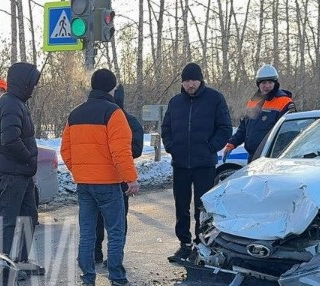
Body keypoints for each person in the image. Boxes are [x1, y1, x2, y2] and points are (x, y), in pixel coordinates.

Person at [61, 68, 140, 286]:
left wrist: (78, 170)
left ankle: (88, 280)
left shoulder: (74, 114)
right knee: (116, 231)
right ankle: (117, 280)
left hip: (84, 184)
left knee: (87, 232)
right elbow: (121, 151)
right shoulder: (114, 113)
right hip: (108, 184)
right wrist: (131, 179)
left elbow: (66, 149)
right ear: (112, 88)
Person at [161, 62, 232, 263]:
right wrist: (171, 146)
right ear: (182, 83)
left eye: (193, 80)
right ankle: (184, 244)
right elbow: (166, 128)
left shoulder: (215, 99)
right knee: (181, 205)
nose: (190, 85)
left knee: (203, 207)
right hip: (181, 164)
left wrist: (211, 147)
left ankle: (202, 244)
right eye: (186, 81)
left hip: (205, 164)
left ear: (200, 80)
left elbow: (225, 128)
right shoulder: (175, 103)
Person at [0, 63, 42, 269]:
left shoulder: (18, 102)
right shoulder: (10, 103)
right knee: (9, 219)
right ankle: (2, 264)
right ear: (23, 83)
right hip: (13, 172)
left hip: (21, 172)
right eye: (31, 83)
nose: (34, 87)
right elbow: (10, 140)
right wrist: (28, 158)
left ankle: (20, 261)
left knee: (29, 216)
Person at [93, 83, 144, 264]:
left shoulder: (129, 121)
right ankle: (96, 251)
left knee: (118, 220)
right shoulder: (94, 117)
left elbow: (136, 149)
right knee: (97, 218)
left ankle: (115, 255)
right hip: (99, 175)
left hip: (120, 177)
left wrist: (117, 150)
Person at [224, 64, 295, 163]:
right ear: (258, 84)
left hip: (272, 158)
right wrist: (232, 144)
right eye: (264, 83)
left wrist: (276, 153)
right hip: (253, 157)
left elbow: (289, 133)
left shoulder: (284, 101)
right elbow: (244, 127)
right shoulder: (253, 102)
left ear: (275, 83)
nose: (267, 86)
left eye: (270, 82)